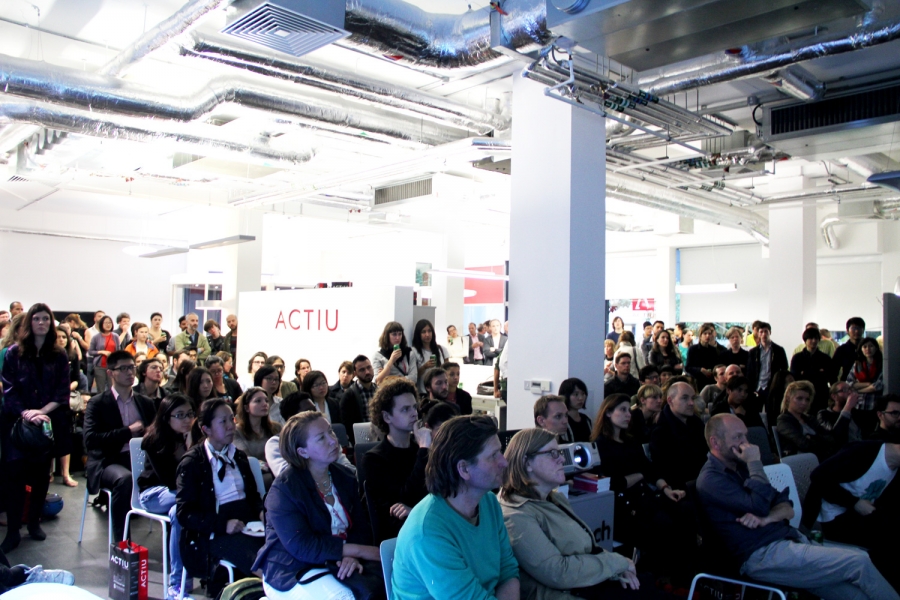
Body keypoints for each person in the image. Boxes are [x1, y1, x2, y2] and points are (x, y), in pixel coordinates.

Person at [696, 414, 897, 600]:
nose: (746, 443)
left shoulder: (740, 466)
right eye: (738, 437)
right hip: (762, 555)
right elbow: (758, 505)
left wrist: (767, 518)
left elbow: (785, 503)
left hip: (787, 540)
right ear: (716, 442)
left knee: (854, 595)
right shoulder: (711, 479)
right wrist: (755, 463)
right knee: (858, 562)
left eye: (745, 436)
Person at [499, 428, 651, 600]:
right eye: (553, 454)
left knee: (647, 585)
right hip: (565, 594)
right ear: (527, 463)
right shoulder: (515, 514)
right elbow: (557, 572)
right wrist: (618, 563)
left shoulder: (554, 498)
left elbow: (590, 549)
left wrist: (617, 570)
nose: (562, 459)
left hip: (586, 585)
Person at [252, 411, 382, 600]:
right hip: (292, 567)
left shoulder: (344, 477)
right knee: (343, 597)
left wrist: (351, 556)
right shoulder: (284, 490)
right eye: (321, 438)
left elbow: (361, 526)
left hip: (335, 559)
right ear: (302, 451)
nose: (332, 441)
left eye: (331, 432)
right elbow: (303, 547)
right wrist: (358, 550)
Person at [391, 415, 519, 600]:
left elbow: (507, 570)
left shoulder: (489, 502)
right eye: (493, 455)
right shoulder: (428, 532)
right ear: (464, 469)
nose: (504, 462)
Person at [591, 395, 694, 584]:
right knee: (664, 525)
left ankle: (683, 577)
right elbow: (610, 483)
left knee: (685, 511)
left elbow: (648, 469)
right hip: (621, 506)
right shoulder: (600, 446)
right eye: (622, 410)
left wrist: (665, 488)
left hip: (642, 497)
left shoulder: (630, 441)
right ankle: (663, 577)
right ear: (608, 413)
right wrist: (637, 476)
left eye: (628, 410)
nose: (627, 415)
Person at [0, 303, 72, 552]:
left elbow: (62, 391)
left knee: (42, 477)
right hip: (16, 423)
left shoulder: (60, 354)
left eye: (46, 319)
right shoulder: (13, 353)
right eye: (37, 318)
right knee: (14, 479)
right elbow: (9, 389)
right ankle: (12, 532)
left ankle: (33, 523)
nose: (41, 323)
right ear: (29, 322)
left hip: (45, 421)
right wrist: (25, 413)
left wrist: (40, 412)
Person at [176, 399, 265, 587]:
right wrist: (222, 524)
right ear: (206, 429)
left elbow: (253, 497)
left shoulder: (238, 456)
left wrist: (261, 512)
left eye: (231, 419)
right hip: (215, 533)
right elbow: (185, 514)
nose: (231, 426)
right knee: (263, 563)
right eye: (222, 421)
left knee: (283, 547)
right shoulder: (193, 462)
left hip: (248, 525)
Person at [805, 441, 900, 591]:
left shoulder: (896, 467)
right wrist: (854, 502)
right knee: (887, 547)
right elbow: (818, 476)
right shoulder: (865, 451)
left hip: (862, 516)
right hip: (836, 516)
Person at [83, 350, 155, 542]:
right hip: (108, 461)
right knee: (125, 480)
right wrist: (128, 431)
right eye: (123, 369)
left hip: (139, 459)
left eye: (132, 367)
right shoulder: (98, 403)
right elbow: (91, 440)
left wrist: (149, 433)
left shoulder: (145, 402)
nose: (130, 372)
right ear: (110, 373)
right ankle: (122, 543)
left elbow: (157, 435)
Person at [137, 393, 194, 599]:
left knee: (178, 513)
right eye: (180, 415)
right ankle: (178, 583)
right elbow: (171, 482)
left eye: (189, 414)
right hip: (153, 494)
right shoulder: (154, 440)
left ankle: (176, 584)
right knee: (189, 500)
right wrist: (189, 451)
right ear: (166, 417)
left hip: (179, 497)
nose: (187, 420)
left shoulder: (194, 436)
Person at [363, 378, 430, 543]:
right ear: (387, 416)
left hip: (426, 522)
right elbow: (402, 499)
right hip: (400, 535)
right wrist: (423, 451)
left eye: (415, 407)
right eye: (405, 409)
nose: (414, 413)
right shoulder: (374, 459)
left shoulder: (421, 449)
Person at [649, 382, 708, 490]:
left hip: (704, 479)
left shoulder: (696, 423)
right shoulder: (660, 432)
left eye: (693, 398)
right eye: (684, 398)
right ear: (670, 400)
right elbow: (666, 470)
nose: (691, 403)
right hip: (683, 488)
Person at [775, 381, 843, 460]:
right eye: (799, 398)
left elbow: (830, 438)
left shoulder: (810, 419)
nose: (804, 403)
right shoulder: (784, 420)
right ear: (788, 398)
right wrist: (819, 440)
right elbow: (803, 443)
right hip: (801, 460)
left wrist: (811, 437)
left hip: (821, 457)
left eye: (807, 399)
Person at [233, 387, 281, 489]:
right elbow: (247, 458)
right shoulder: (237, 431)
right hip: (254, 475)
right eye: (258, 401)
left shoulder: (276, 427)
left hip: (277, 471)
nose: (264, 404)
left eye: (266, 400)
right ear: (246, 408)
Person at [789, 327, 834, 415]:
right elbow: (795, 376)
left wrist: (805, 373)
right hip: (802, 393)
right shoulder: (797, 358)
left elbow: (830, 376)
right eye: (810, 338)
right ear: (805, 340)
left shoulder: (825, 358)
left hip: (821, 394)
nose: (813, 341)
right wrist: (818, 373)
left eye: (816, 338)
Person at [746, 322, 788, 409]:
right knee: (755, 412)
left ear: (770, 332)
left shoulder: (779, 350)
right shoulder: (753, 352)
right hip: (758, 387)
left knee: (772, 411)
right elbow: (750, 371)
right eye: (761, 332)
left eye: (766, 331)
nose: (764, 334)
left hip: (772, 386)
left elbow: (784, 368)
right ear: (758, 334)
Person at [847, 336, 883, 435]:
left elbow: (878, 386)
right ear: (861, 349)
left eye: (871, 346)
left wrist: (859, 389)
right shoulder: (858, 365)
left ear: (876, 348)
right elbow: (849, 383)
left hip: (874, 405)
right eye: (865, 346)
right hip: (859, 405)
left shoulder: (881, 364)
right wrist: (867, 384)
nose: (868, 349)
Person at [410, 319, 449, 395]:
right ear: (418, 334)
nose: (427, 334)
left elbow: (447, 371)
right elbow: (413, 376)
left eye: (429, 331)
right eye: (423, 332)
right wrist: (425, 367)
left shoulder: (441, 349)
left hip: (440, 393)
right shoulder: (414, 351)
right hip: (423, 393)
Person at [88, 315, 120, 393]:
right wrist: (101, 352)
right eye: (106, 323)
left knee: (112, 389)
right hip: (99, 366)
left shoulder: (115, 336)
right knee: (100, 389)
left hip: (112, 366)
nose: (108, 324)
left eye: (110, 322)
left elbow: (119, 351)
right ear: (101, 324)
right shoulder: (96, 337)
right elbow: (90, 351)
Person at [685, 323, 719, 391]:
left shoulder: (713, 350)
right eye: (705, 333)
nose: (707, 336)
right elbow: (688, 367)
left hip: (710, 381)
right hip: (697, 382)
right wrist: (700, 370)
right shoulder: (693, 349)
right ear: (700, 335)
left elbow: (716, 365)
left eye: (709, 334)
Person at [559, 377, 592, 442]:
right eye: (576, 394)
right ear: (566, 396)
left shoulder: (586, 419)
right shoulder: (562, 420)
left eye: (583, 394)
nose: (581, 398)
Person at [833, 316, 865, 382]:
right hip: (847, 386)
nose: (856, 331)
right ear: (847, 331)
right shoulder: (841, 350)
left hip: (867, 385)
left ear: (863, 330)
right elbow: (833, 372)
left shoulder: (869, 348)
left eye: (859, 328)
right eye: (853, 328)